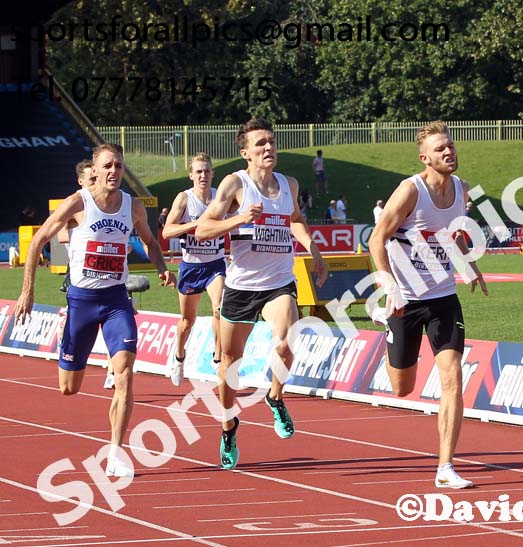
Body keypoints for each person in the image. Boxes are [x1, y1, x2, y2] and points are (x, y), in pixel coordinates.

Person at [13, 143, 176, 477]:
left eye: (118, 165)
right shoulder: (78, 202)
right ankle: (72, 338)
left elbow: (148, 239)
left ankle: (116, 450)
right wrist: (27, 291)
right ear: (96, 170)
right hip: (81, 302)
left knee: (126, 374)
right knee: (68, 388)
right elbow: (40, 239)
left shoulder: (131, 206)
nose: (114, 171)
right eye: (108, 166)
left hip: (116, 300)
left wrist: (160, 265)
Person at [196, 118, 328, 470]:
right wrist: (238, 219)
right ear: (246, 154)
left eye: (271, 142)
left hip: (279, 283)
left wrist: (312, 249)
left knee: (286, 342)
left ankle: (275, 396)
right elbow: (205, 229)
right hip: (241, 288)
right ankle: (228, 427)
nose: (268, 148)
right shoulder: (234, 184)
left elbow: (296, 218)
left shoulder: (289, 184)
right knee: (229, 367)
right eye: (260, 145)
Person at [368, 121, 488, 489]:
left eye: (450, 146)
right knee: (401, 387)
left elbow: (452, 236)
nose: (448, 152)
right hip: (404, 300)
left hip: (442, 298)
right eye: (440, 149)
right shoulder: (409, 191)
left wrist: (469, 265)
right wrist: (389, 286)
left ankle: (446, 467)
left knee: (452, 377)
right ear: (424, 158)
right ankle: (385, 325)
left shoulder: (461, 190)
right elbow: (376, 240)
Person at [162, 153, 226, 387]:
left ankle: (218, 359)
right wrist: (196, 225)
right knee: (187, 321)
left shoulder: (221, 196)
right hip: (191, 266)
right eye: (198, 171)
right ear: (191, 175)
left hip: (216, 264)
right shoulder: (184, 198)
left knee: (220, 308)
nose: (203, 175)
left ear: (212, 174)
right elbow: (167, 232)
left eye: (207, 171)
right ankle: (179, 357)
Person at [57, 160, 119, 389]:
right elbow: (60, 235)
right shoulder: (74, 204)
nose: (95, 182)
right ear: (80, 182)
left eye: (96, 177)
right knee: (68, 388)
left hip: (111, 280)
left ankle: (113, 370)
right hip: (79, 278)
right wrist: (91, 238)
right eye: (90, 179)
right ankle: (66, 342)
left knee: (119, 324)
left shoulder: (110, 203)